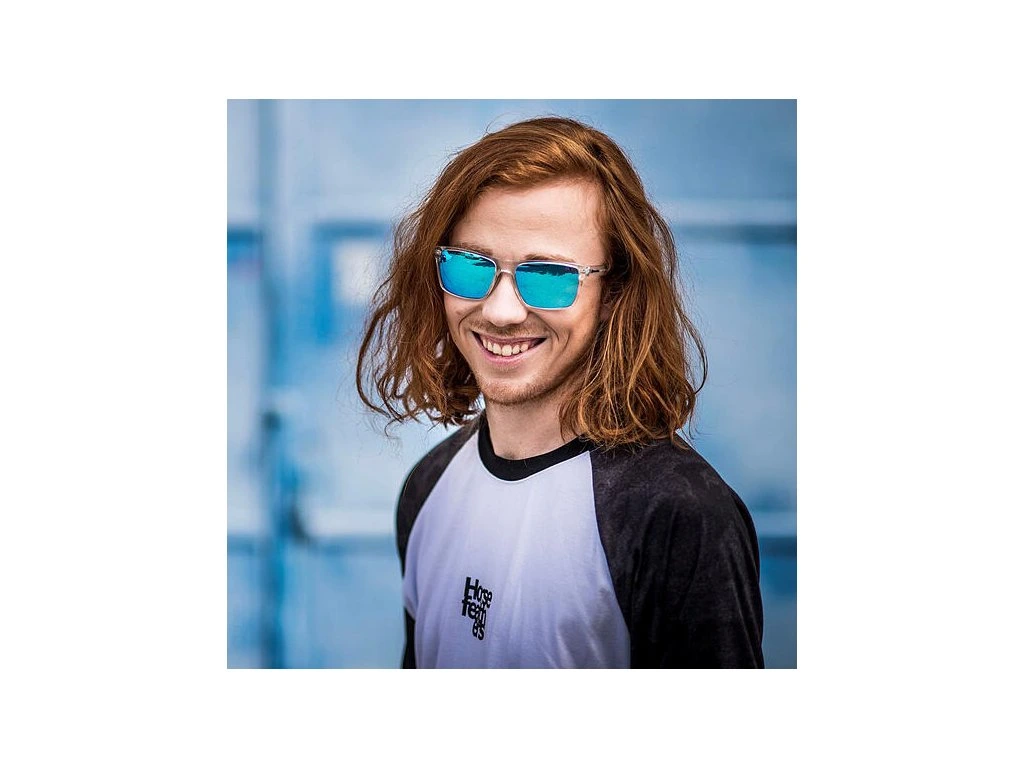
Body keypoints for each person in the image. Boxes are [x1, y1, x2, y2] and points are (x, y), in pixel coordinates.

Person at [357, 116, 764, 668]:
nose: (501, 311)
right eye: (470, 267)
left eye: (548, 276)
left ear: (614, 292)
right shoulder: (429, 486)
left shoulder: (678, 514)